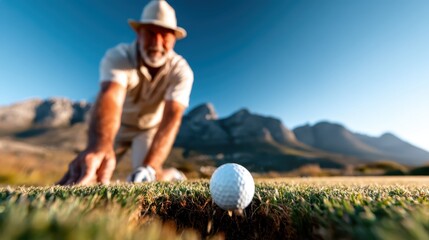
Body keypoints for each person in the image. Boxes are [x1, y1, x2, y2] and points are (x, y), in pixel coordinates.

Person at [57, 0, 193, 185]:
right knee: (91, 173)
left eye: (165, 35)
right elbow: (110, 96)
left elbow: (173, 115)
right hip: (116, 126)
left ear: (174, 39)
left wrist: (150, 167)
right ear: (139, 33)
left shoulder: (181, 71)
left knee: (147, 179)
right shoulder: (118, 57)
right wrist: (99, 145)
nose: (157, 43)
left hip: (148, 129)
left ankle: (170, 174)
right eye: (151, 33)